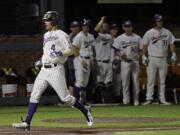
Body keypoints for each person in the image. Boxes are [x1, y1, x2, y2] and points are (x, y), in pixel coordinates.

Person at [12, 11, 93, 130]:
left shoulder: (62, 34)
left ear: (53, 21)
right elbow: (47, 52)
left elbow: (71, 50)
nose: (45, 22)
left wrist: (61, 52)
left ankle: (85, 110)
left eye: (47, 20)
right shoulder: (46, 35)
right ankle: (27, 123)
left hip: (56, 69)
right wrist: (41, 60)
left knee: (65, 98)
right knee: (34, 94)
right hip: (44, 69)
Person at [142, 14, 177, 105]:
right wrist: (143, 56)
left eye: (161, 21)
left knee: (162, 80)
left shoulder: (167, 32)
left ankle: (162, 99)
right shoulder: (149, 32)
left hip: (163, 58)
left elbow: (172, 43)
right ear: (154, 22)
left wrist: (173, 53)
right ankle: (149, 98)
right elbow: (144, 46)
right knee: (151, 79)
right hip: (152, 58)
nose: (160, 22)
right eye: (158, 21)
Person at [112, 20, 142, 106]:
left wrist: (139, 55)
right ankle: (126, 101)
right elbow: (115, 50)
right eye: (126, 26)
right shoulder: (120, 38)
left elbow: (142, 49)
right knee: (125, 82)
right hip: (124, 62)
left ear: (132, 27)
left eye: (129, 26)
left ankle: (136, 100)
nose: (128, 28)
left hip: (135, 62)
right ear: (123, 27)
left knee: (136, 81)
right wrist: (120, 54)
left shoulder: (137, 37)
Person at [72, 19, 95, 105]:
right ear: (82, 27)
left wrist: (92, 60)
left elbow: (92, 49)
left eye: (87, 26)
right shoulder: (79, 36)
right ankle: (75, 102)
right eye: (84, 26)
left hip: (88, 59)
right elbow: (74, 49)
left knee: (85, 82)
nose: (86, 27)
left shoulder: (90, 36)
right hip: (80, 59)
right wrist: (81, 61)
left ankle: (82, 101)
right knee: (79, 81)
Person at [93, 16, 114, 103]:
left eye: (106, 26)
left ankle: (107, 101)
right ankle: (99, 101)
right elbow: (95, 30)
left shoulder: (110, 37)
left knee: (109, 84)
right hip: (99, 62)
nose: (105, 27)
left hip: (108, 62)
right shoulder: (97, 36)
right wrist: (101, 21)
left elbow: (112, 49)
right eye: (103, 26)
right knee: (99, 84)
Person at [66, 21, 80, 95]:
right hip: (72, 59)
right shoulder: (69, 36)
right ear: (71, 28)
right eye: (73, 27)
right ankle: (72, 97)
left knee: (81, 78)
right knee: (72, 78)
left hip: (81, 58)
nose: (75, 28)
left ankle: (81, 98)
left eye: (76, 26)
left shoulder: (81, 35)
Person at [109, 23, 121, 103]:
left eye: (116, 29)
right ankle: (108, 98)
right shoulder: (107, 38)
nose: (115, 31)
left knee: (118, 81)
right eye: (113, 29)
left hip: (117, 62)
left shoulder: (119, 39)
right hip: (107, 63)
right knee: (109, 82)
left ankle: (117, 98)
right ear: (110, 30)